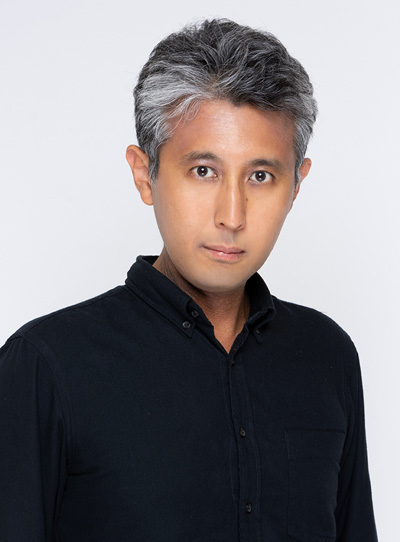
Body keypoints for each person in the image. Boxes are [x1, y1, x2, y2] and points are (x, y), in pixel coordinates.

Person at [0, 18, 378, 542]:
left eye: (261, 176)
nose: (232, 215)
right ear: (144, 174)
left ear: (296, 186)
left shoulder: (327, 355)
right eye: (204, 171)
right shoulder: (46, 366)